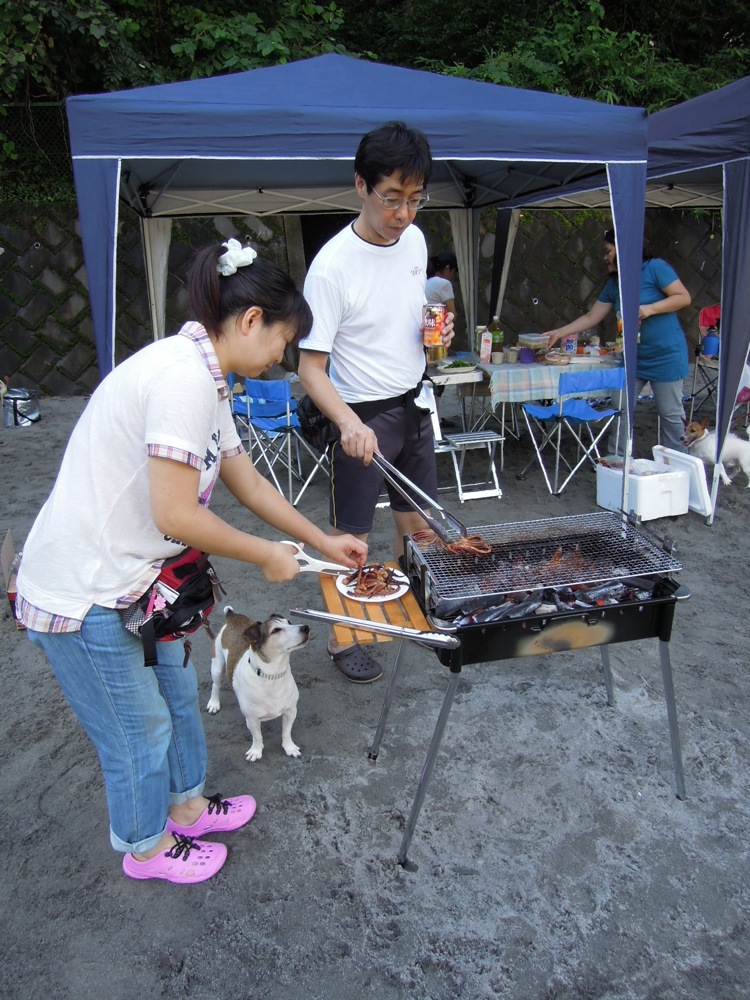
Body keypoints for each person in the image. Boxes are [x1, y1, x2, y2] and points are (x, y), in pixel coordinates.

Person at [15, 239, 367, 885]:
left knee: (177, 700)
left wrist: (319, 541)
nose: (279, 360)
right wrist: (265, 554)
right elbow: (175, 514)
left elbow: (248, 483)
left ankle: (187, 806)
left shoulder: (206, 379)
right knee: (136, 731)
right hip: (85, 588)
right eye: (282, 343)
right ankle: (145, 848)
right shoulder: (180, 377)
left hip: (139, 583)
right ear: (252, 319)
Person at [298, 120, 453, 684]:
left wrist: (433, 335)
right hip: (360, 414)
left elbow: (407, 318)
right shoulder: (333, 267)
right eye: (392, 198)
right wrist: (346, 423)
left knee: (422, 529)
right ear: (361, 185)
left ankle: (425, 616)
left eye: (415, 199)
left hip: (414, 404)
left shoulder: (414, 240)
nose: (405, 214)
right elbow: (309, 367)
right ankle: (344, 641)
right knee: (353, 541)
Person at [545, 229, 691, 454]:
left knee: (670, 414)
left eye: (608, 251)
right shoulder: (615, 283)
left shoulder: (655, 268)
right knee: (620, 408)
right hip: (632, 358)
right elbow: (591, 317)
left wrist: (649, 309)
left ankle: (679, 465)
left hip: (666, 356)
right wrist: (558, 332)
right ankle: (617, 460)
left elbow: (683, 297)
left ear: (623, 249)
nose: (605, 257)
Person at [425, 250, 459, 317]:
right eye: (453, 272)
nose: (453, 276)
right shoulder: (445, 284)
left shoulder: (426, 281)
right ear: (447, 268)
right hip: (437, 324)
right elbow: (452, 315)